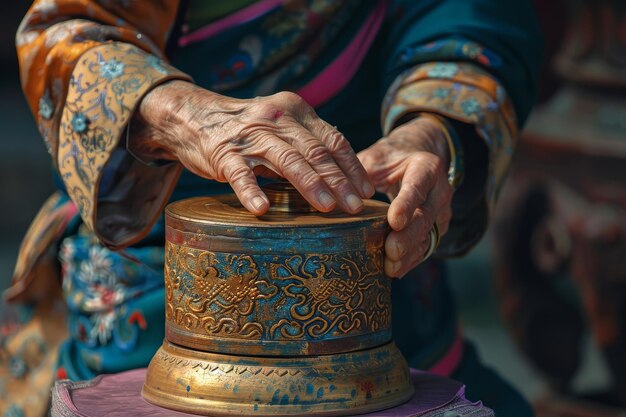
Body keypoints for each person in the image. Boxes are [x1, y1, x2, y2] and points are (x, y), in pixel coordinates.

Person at [1, 1, 541, 416]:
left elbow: (471, 19)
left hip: (391, 295)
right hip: (143, 298)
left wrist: (432, 133)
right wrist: (187, 117)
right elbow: (66, 29)